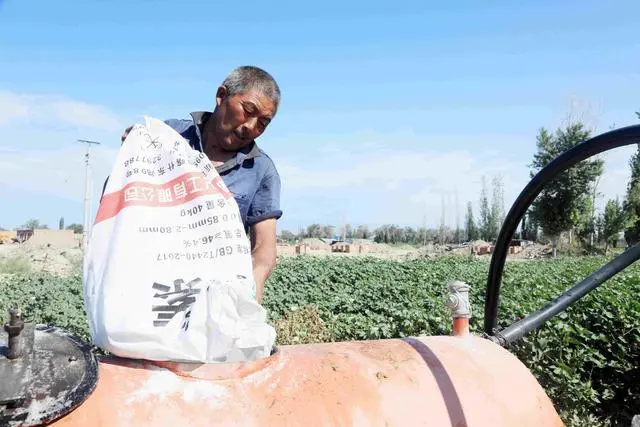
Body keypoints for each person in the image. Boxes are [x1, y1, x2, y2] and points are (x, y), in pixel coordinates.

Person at [116, 65, 282, 302]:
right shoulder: (168, 137)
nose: (251, 127)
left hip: (213, 296)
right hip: (148, 286)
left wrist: (248, 297)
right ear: (221, 96)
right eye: (248, 110)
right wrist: (134, 147)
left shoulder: (260, 169)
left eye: (262, 123)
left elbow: (264, 251)